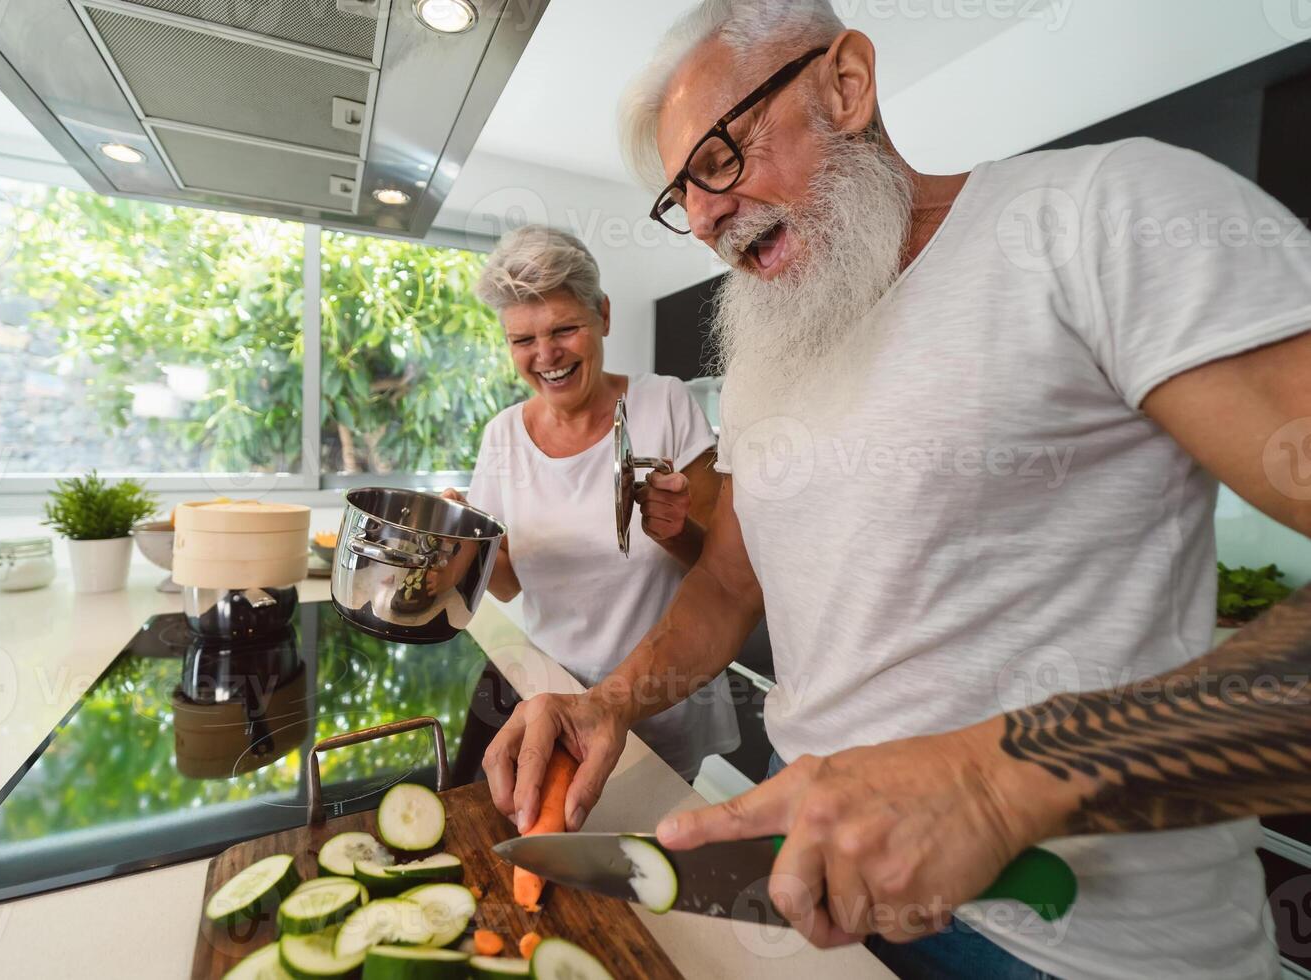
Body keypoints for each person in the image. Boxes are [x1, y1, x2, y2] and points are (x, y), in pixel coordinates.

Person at [482, 2, 1311, 978]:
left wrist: (1000, 784)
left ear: (847, 83)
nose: (704, 215)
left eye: (720, 156)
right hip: (817, 886)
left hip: (1086, 947)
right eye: (680, 195)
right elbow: (725, 590)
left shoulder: (1101, 216)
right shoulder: (765, 359)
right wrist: (608, 703)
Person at [449, 224, 739, 786]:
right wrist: (461, 550)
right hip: (549, 693)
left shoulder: (665, 404)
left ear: (603, 315)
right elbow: (507, 584)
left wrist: (672, 530)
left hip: (660, 702)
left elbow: (725, 572)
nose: (546, 355)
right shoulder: (502, 436)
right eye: (522, 340)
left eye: (565, 329)